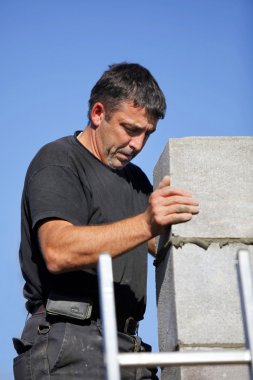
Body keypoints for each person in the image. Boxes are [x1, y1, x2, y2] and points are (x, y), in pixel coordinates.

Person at [13, 63, 199, 380]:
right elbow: (58, 251)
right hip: (70, 344)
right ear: (98, 114)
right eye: (130, 129)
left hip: (130, 347)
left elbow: (159, 241)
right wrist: (146, 223)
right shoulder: (58, 161)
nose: (138, 144)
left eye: (147, 134)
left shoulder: (136, 181)